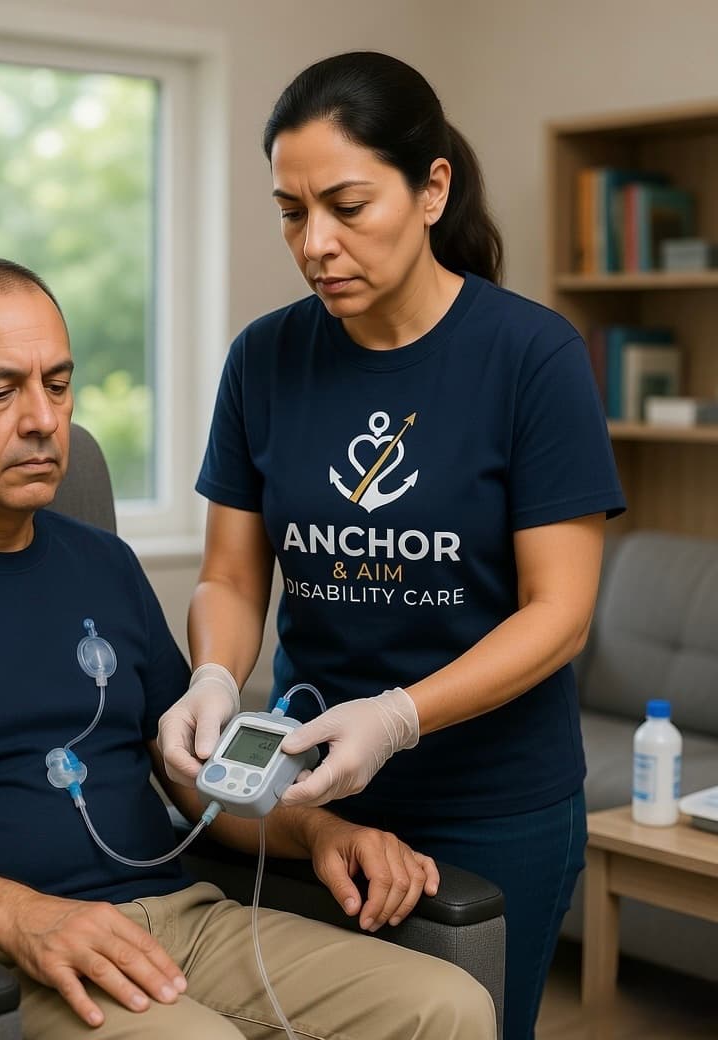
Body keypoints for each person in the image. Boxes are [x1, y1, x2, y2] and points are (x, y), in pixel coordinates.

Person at [0, 256, 495, 1040]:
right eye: (1, 391)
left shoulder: (104, 565)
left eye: (58, 383)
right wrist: (17, 915)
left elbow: (195, 786)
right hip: (3, 954)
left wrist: (322, 832)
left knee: (448, 1005)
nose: (43, 418)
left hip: (184, 920)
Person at [158, 51, 626, 1040]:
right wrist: (211, 670)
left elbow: (558, 610)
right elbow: (232, 573)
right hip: (303, 797)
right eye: (290, 211)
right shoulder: (265, 357)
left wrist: (399, 715)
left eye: (346, 204)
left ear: (429, 190)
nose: (314, 243)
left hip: (487, 801)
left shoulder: (529, 358)